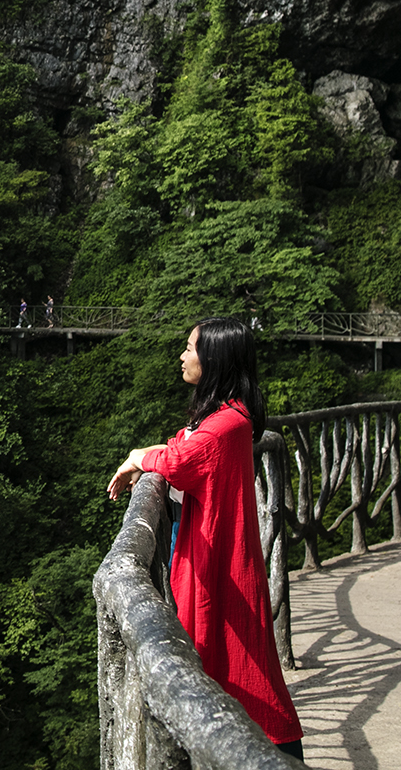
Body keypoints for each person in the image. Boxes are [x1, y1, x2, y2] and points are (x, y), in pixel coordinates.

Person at [105, 316, 304, 760]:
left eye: (190, 348)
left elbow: (181, 458)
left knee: (240, 666)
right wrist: (151, 459)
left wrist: (139, 455)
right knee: (233, 663)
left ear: (213, 359)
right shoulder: (226, 415)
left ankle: (275, 756)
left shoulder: (228, 423)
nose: (182, 355)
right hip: (221, 557)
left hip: (223, 564)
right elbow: (184, 445)